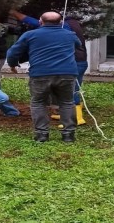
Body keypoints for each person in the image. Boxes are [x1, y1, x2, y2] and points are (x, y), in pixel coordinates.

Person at [6, 11, 81, 143]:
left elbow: (13, 52)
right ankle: (68, 135)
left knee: (38, 102)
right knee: (67, 102)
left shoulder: (30, 35)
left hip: (40, 74)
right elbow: (78, 45)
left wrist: (13, 65)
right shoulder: (70, 35)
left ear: (40, 21)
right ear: (60, 22)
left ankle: (42, 135)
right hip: (67, 73)